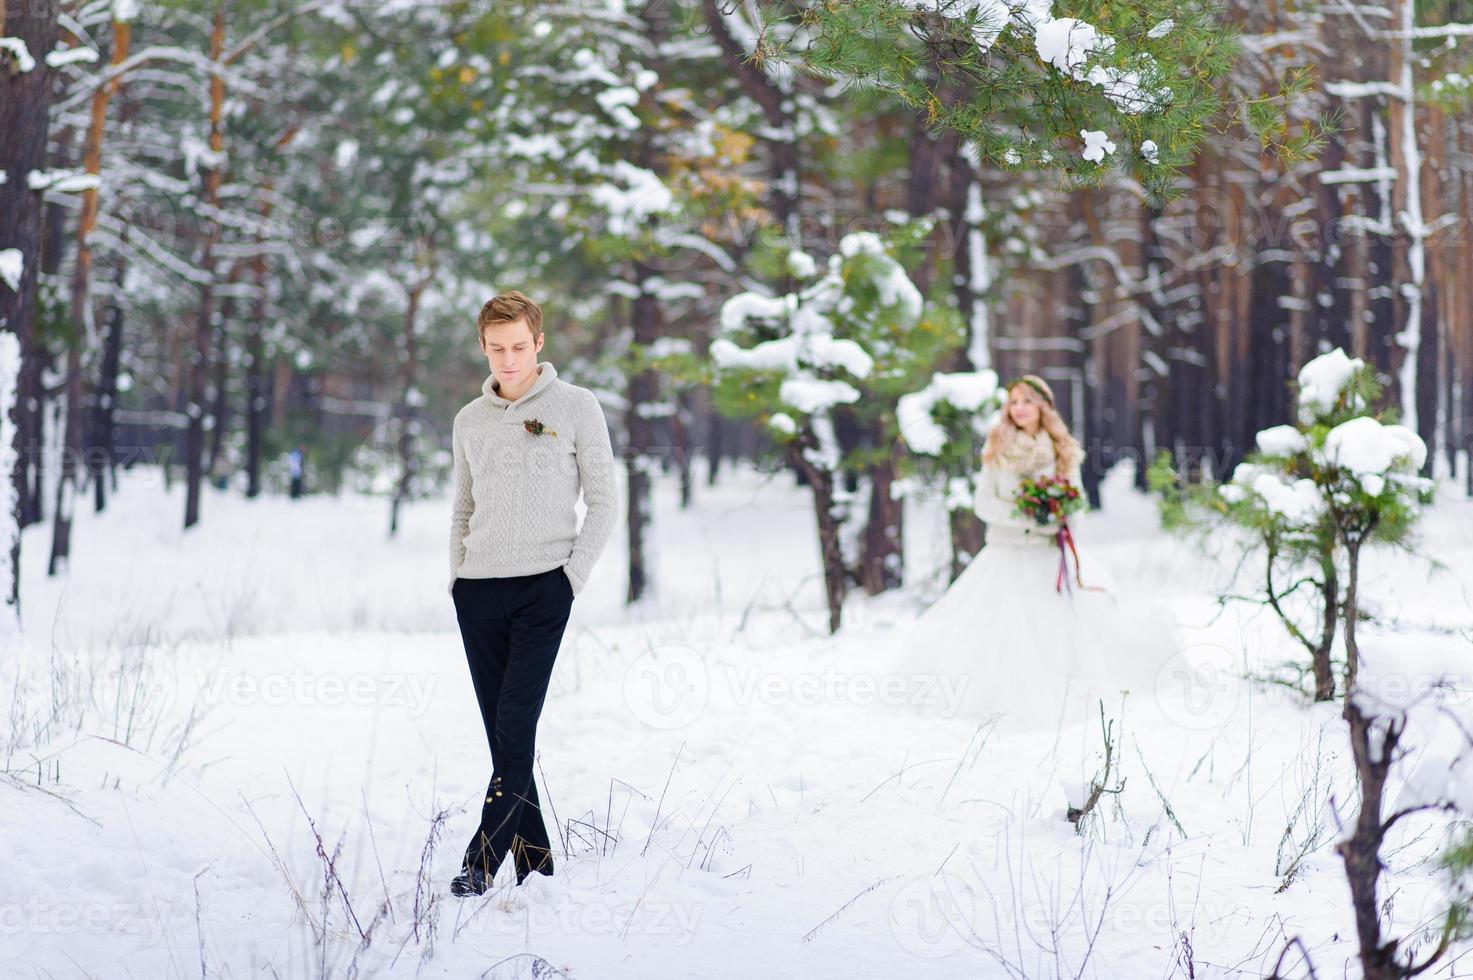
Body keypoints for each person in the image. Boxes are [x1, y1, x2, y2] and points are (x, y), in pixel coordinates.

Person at [447, 290, 617, 896]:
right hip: (478, 593)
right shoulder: (470, 420)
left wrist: (570, 580)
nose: (508, 359)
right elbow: (464, 505)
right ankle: (537, 863)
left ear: (538, 343)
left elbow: (603, 500)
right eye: (496, 348)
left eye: (519, 346)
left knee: (516, 723)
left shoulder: (576, 407)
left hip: (544, 589)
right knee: (504, 735)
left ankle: (480, 863)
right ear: (483, 347)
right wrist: (457, 578)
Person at [904, 374, 1181, 736]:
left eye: (1027, 401)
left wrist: (1056, 518)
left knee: (1062, 632)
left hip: (1051, 557)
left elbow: (1077, 503)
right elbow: (984, 501)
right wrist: (1024, 518)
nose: (1018, 409)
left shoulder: (1062, 448)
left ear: (1043, 407)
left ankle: (1069, 692)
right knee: (1000, 632)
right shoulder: (997, 447)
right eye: (1013, 402)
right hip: (1007, 553)